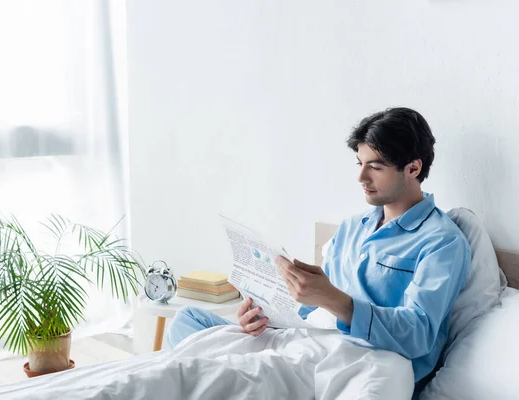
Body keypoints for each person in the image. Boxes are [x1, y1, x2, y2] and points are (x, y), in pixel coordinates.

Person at [166, 107, 470, 388]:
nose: (361, 177)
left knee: (214, 372)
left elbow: (418, 334)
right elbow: (312, 306)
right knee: (188, 320)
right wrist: (263, 313)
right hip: (307, 336)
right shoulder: (353, 226)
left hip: (361, 359)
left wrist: (336, 301)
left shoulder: (442, 241)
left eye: (375, 167)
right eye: (360, 163)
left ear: (413, 168)